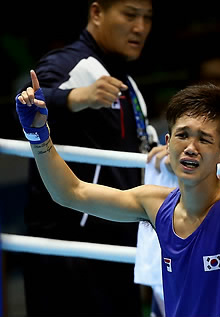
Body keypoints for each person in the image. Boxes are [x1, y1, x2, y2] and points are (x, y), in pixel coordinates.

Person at [16, 63, 220, 316]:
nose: (190, 147)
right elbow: (70, 192)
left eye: (204, 139)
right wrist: (38, 135)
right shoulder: (155, 204)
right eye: (182, 135)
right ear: (167, 142)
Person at [17, 1, 156, 316]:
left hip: (116, 243)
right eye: (130, 14)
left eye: (147, 18)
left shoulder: (125, 80)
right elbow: (28, 102)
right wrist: (75, 97)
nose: (140, 27)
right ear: (97, 13)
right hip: (68, 251)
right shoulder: (70, 64)